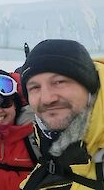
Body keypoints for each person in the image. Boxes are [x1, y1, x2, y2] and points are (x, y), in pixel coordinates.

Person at [19, 39, 103, 190]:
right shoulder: (49, 148)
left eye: (59, 82)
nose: (47, 99)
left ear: (89, 86)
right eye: (34, 87)